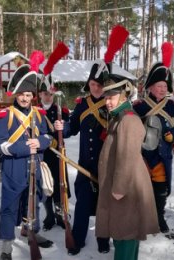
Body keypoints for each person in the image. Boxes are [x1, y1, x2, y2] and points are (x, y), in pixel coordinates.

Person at [0, 65, 53, 260]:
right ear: (16, 95)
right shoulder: (5, 115)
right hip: (13, 168)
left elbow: (47, 137)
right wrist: (26, 147)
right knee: (9, 206)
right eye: (21, 95)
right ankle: (7, 245)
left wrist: (41, 142)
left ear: (32, 96)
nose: (24, 98)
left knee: (33, 203)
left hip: (35, 166)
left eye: (28, 95)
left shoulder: (39, 114)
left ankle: (31, 232)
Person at [96, 74, 159, 260]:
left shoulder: (128, 120)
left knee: (126, 233)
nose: (107, 102)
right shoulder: (119, 117)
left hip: (126, 188)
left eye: (112, 97)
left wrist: (119, 188)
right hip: (120, 186)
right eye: (106, 97)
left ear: (123, 97)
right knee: (122, 232)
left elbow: (128, 157)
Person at [54, 61, 110, 255]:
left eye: (100, 85)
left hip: (106, 165)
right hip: (85, 163)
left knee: (104, 204)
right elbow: (73, 127)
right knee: (83, 203)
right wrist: (64, 128)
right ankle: (77, 239)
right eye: (93, 84)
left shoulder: (112, 104)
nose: (96, 88)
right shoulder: (83, 105)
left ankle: (103, 239)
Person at [133, 59, 174, 233]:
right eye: (159, 85)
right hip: (144, 155)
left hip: (163, 155)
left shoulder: (170, 106)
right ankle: (144, 217)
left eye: (165, 86)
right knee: (143, 189)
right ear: (151, 86)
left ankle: (159, 217)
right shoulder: (140, 106)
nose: (163, 89)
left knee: (161, 189)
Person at [38, 81, 70, 230]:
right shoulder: (35, 111)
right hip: (42, 155)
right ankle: (49, 216)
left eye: (50, 94)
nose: (48, 97)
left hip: (57, 154)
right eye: (45, 94)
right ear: (40, 95)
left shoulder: (61, 111)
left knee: (59, 185)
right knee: (46, 185)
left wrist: (63, 128)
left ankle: (59, 216)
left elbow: (68, 131)